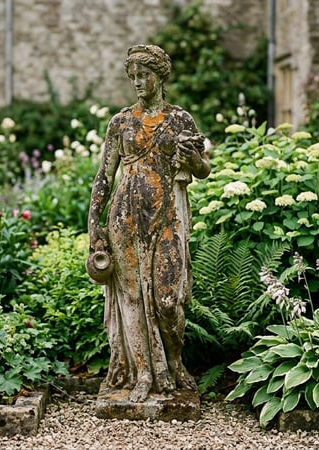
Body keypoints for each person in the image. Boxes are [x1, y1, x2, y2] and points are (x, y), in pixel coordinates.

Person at [87, 44, 210, 402]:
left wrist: (195, 160)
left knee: (168, 299)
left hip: (167, 213)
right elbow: (103, 178)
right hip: (124, 217)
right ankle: (143, 373)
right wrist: (94, 224)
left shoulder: (180, 120)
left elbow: (203, 170)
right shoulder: (121, 122)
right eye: (133, 77)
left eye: (144, 75)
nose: (138, 82)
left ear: (160, 76)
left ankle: (173, 361)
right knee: (132, 296)